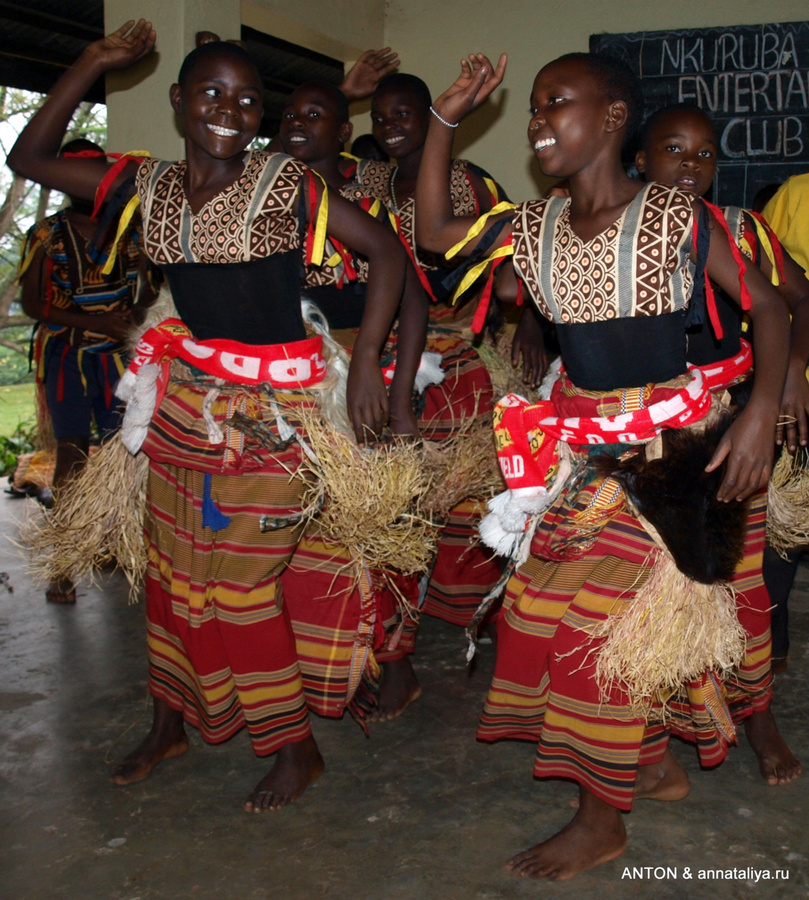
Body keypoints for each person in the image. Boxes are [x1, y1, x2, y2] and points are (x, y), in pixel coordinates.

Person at [8, 20, 408, 812]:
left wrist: (364, 361)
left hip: (277, 418)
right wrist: (90, 58)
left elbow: (389, 255)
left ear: (261, 118)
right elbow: (27, 160)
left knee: (238, 589)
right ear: (178, 100)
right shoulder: (144, 185)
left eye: (248, 100)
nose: (230, 109)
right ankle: (171, 720)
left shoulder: (287, 185)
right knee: (171, 578)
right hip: (184, 403)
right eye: (212, 93)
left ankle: (293, 746)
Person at [414, 51, 792, 880]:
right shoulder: (533, 225)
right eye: (533, 106)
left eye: (557, 102)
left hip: (670, 460)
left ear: (613, 117)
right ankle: (645, 760)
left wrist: (761, 408)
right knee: (538, 621)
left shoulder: (672, 217)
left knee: (594, 638)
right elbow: (435, 234)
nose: (537, 117)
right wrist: (446, 120)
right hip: (576, 456)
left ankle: (598, 820)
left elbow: (766, 305)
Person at [634, 103, 804, 785]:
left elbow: (798, 300)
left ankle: (756, 712)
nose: (689, 165)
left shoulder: (738, 230)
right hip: (634, 429)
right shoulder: (605, 228)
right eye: (673, 150)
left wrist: (786, 374)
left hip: (727, 422)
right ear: (638, 157)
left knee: (739, 582)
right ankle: (651, 726)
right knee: (644, 585)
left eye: (704, 154)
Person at [18, 137, 153, 604]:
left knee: (126, 455)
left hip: (121, 359)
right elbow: (34, 303)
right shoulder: (46, 234)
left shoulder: (131, 229)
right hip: (69, 357)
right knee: (72, 457)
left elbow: (151, 288)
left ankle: (117, 546)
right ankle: (62, 562)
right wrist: (96, 322)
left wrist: (134, 319)